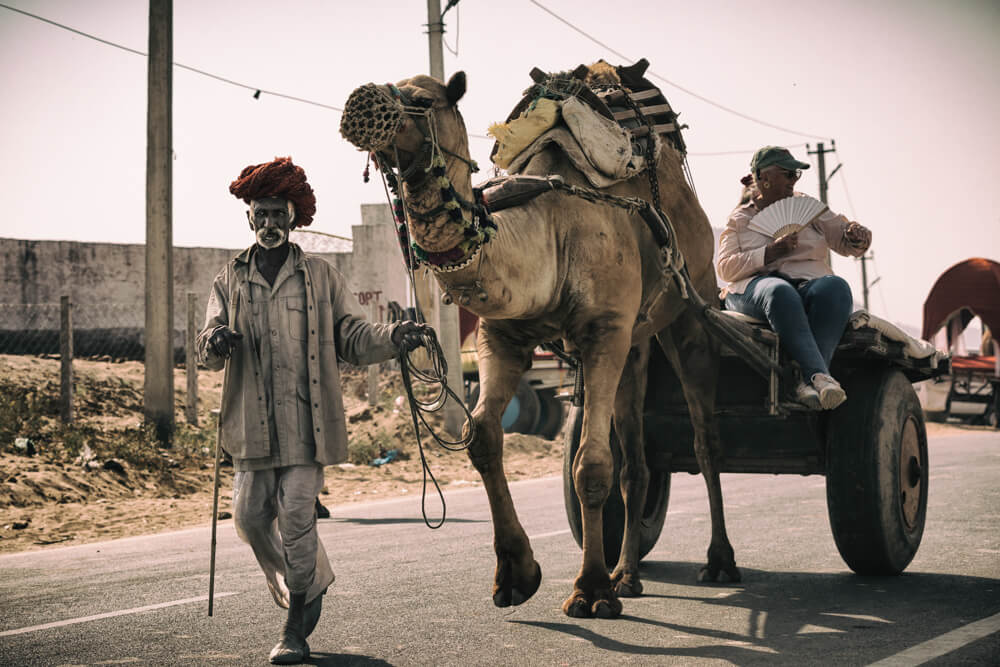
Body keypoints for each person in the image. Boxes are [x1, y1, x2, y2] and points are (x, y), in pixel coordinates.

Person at [198, 156, 429, 664]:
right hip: (250, 427)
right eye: (262, 213)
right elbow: (205, 349)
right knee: (249, 519)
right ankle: (312, 578)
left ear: (293, 217)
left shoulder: (322, 277)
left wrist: (396, 336)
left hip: (306, 425)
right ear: (250, 218)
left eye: (279, 213)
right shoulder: (229, 280)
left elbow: (354, 335)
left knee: (297, 519)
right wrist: (216, 340)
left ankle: (294, 626)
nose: (271, 223)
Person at [717, 146, 872, 410]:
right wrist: (770, 252)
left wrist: (858, 236)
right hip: (755, 288)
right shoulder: (740, 219)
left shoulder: (809, 207)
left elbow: (845, 240)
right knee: (780, 292)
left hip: (807, 283)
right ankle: (819, 375)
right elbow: (725, 269)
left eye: (796, 175)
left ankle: (804, 381)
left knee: (836, 287)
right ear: (764, 177)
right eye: (788, 174)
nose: (794, 180)